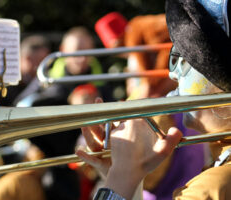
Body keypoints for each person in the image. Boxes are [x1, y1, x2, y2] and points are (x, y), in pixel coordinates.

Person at [77, 0, 231, 199]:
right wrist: (125, 178)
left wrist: (121, 177)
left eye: (181, 61)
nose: (172, 75)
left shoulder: (211, 188)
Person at [94, 11, 205, 200]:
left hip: (164, 99)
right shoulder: (140, 33)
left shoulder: (135, 35)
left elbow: (148, 73)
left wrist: (150, 88)